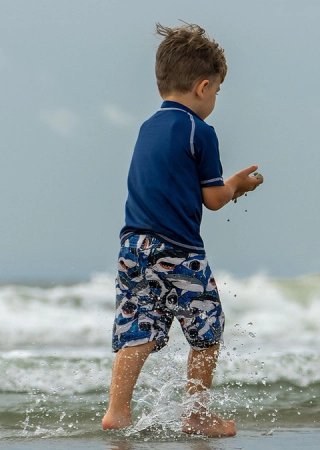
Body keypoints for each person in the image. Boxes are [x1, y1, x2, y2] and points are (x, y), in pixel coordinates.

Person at [101, 23, 263, 438]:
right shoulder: (200, 131)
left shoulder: (147, 127)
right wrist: (237, 187)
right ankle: (197, 414)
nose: (215, 101)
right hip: (178, 246)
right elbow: (212, 199)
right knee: (207, 326)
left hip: (133, 243)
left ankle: (117, 411)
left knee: (137, 325)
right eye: (218, 92)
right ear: (203, 87)